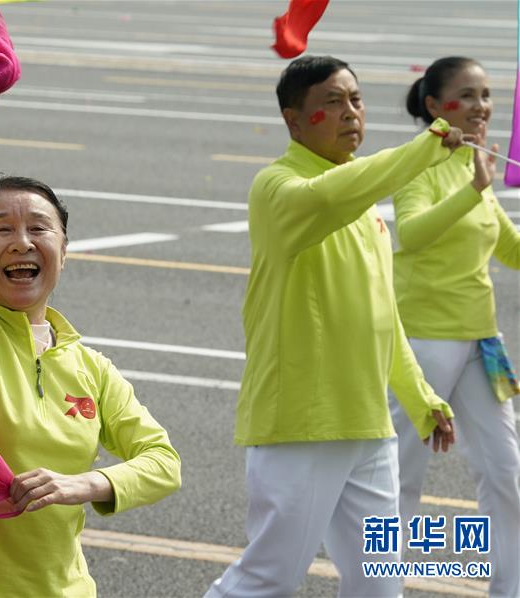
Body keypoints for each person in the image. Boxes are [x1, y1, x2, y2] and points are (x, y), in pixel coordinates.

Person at [0, 95, 181, 598]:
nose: (22, 242)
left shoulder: (91, 366)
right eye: (1, 230)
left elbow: (162, 461)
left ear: (64, 251)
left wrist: (83, 484)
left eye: (39, 228)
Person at [204, 55, 458, 598]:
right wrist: (425, 149)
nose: (350, 113)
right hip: (302, 423)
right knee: (268, 578)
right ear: (294, 122)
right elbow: (328, 197)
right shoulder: (278, 188)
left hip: (368, 427)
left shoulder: (364, 207)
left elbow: (381, 316)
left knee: (379, 583)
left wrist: (420, 398)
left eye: (357, 100)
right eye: (332, 103)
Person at [390, 56, 520, 598]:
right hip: (422, 342)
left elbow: (509, 249)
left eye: (485, 94)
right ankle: (382, 585)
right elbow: (412, 234)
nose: (480, 106)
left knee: (507, 474)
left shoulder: (476, 162)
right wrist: (472, 189)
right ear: (433, 105)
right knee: (401, 476)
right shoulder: (420, 165)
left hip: (481, 343)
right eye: (465, 95)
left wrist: (478, 184)